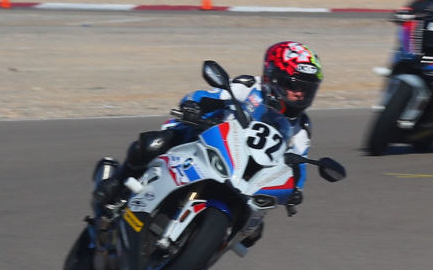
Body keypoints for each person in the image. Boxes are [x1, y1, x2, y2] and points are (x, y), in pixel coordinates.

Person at [93, 41, 324, 232]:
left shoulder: (302, 126)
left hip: (245, 172)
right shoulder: (249, 85)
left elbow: (298, 162)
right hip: (206, 138)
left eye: (307, 89)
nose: (299, 94)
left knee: (253, 230)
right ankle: (116, 189)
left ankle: (195, 252)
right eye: (292, 85)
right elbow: (205, 95)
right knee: (154, 143)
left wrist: (296, 190)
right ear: (272, 77)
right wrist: (194, 106)